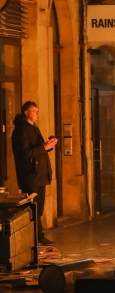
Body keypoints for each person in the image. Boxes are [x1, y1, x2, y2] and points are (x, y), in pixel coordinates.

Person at [11, 101, 58, 246]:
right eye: (34, 111)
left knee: (38, 207)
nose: (37, 114)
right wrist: (44, 147)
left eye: (37, 111)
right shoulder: (21, 130)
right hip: (31, 175)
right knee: (33, 207)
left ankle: (38, 235)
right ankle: (37, 236)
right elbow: (25, 153)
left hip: (39, 174)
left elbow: (38, 149)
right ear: (26, 112)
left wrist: (49, 145)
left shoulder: (33, 128)